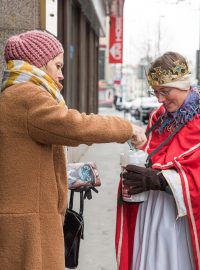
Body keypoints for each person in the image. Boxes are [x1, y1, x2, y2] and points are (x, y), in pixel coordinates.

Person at [0, 30, 146, 270]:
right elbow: (75, 126)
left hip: (27, 218)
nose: (61, 74)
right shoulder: (27, 97)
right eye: (57, 65)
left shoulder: (16, 94)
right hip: (30, 226)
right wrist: (126, 127)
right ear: (38, 63)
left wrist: (68, 174)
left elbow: (29, 162)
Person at [116, 51, 200, 270]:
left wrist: (162, 180)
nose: (160, 99)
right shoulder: (159, 116)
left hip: (181, 217)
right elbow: (153, 155)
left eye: (165, 91)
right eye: (156, 92)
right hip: (151, 210)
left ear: (183, 85)